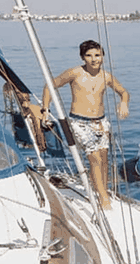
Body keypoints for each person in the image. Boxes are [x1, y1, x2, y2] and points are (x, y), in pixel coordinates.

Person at [42, 39, 129, 209]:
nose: (94, 59)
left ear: (102, 56)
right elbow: (50, 86)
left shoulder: (107, 76)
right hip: (80, 123)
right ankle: (104, 200)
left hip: (101, 123)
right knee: (94, 158)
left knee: (103, 159)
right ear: (83, 57)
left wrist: (123, 102)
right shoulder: (74, 73)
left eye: (97, 55)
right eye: (89, 56)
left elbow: (123, 91)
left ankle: (102, 191)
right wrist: (45, 108)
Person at [3, 83, 48, 150]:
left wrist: (41, 144)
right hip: (26, 139)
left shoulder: (34, 110)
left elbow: (38, 129)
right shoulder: (20, 113)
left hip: (33, 140)